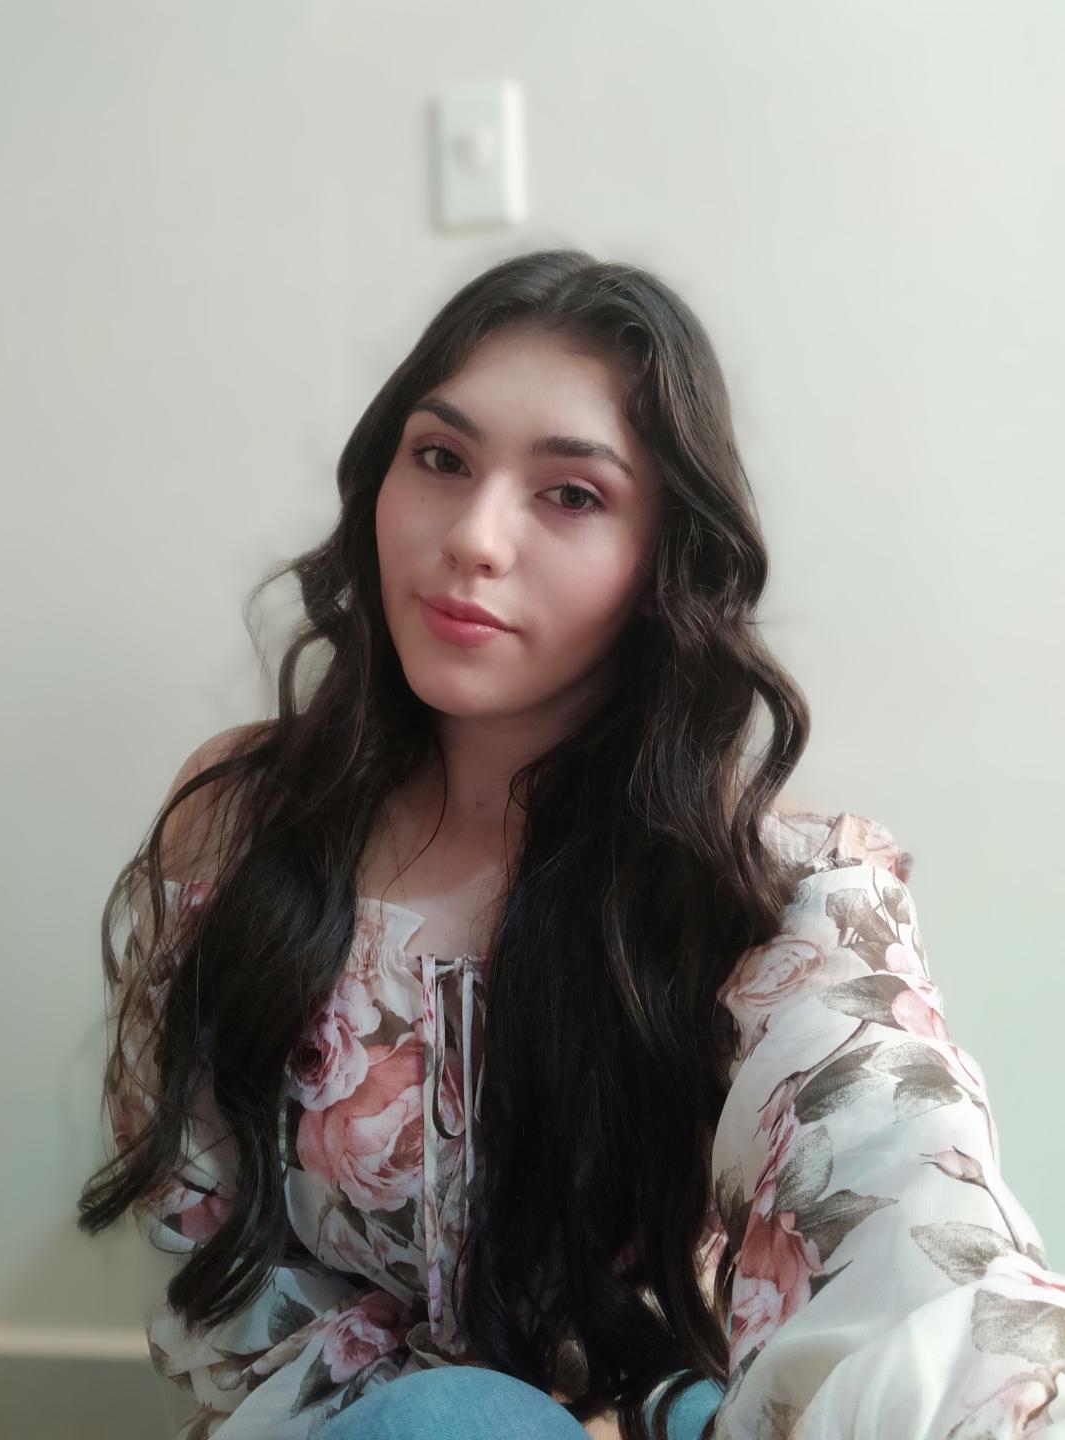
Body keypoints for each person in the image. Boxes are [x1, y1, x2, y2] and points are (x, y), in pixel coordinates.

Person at [78, 249, 1065, 1440]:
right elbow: (217, 1280)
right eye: (440, 459)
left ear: (663, 560)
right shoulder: (242, 824)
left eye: (572, 496)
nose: (474, 538)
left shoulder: (772, 890)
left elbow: (906, 1201)